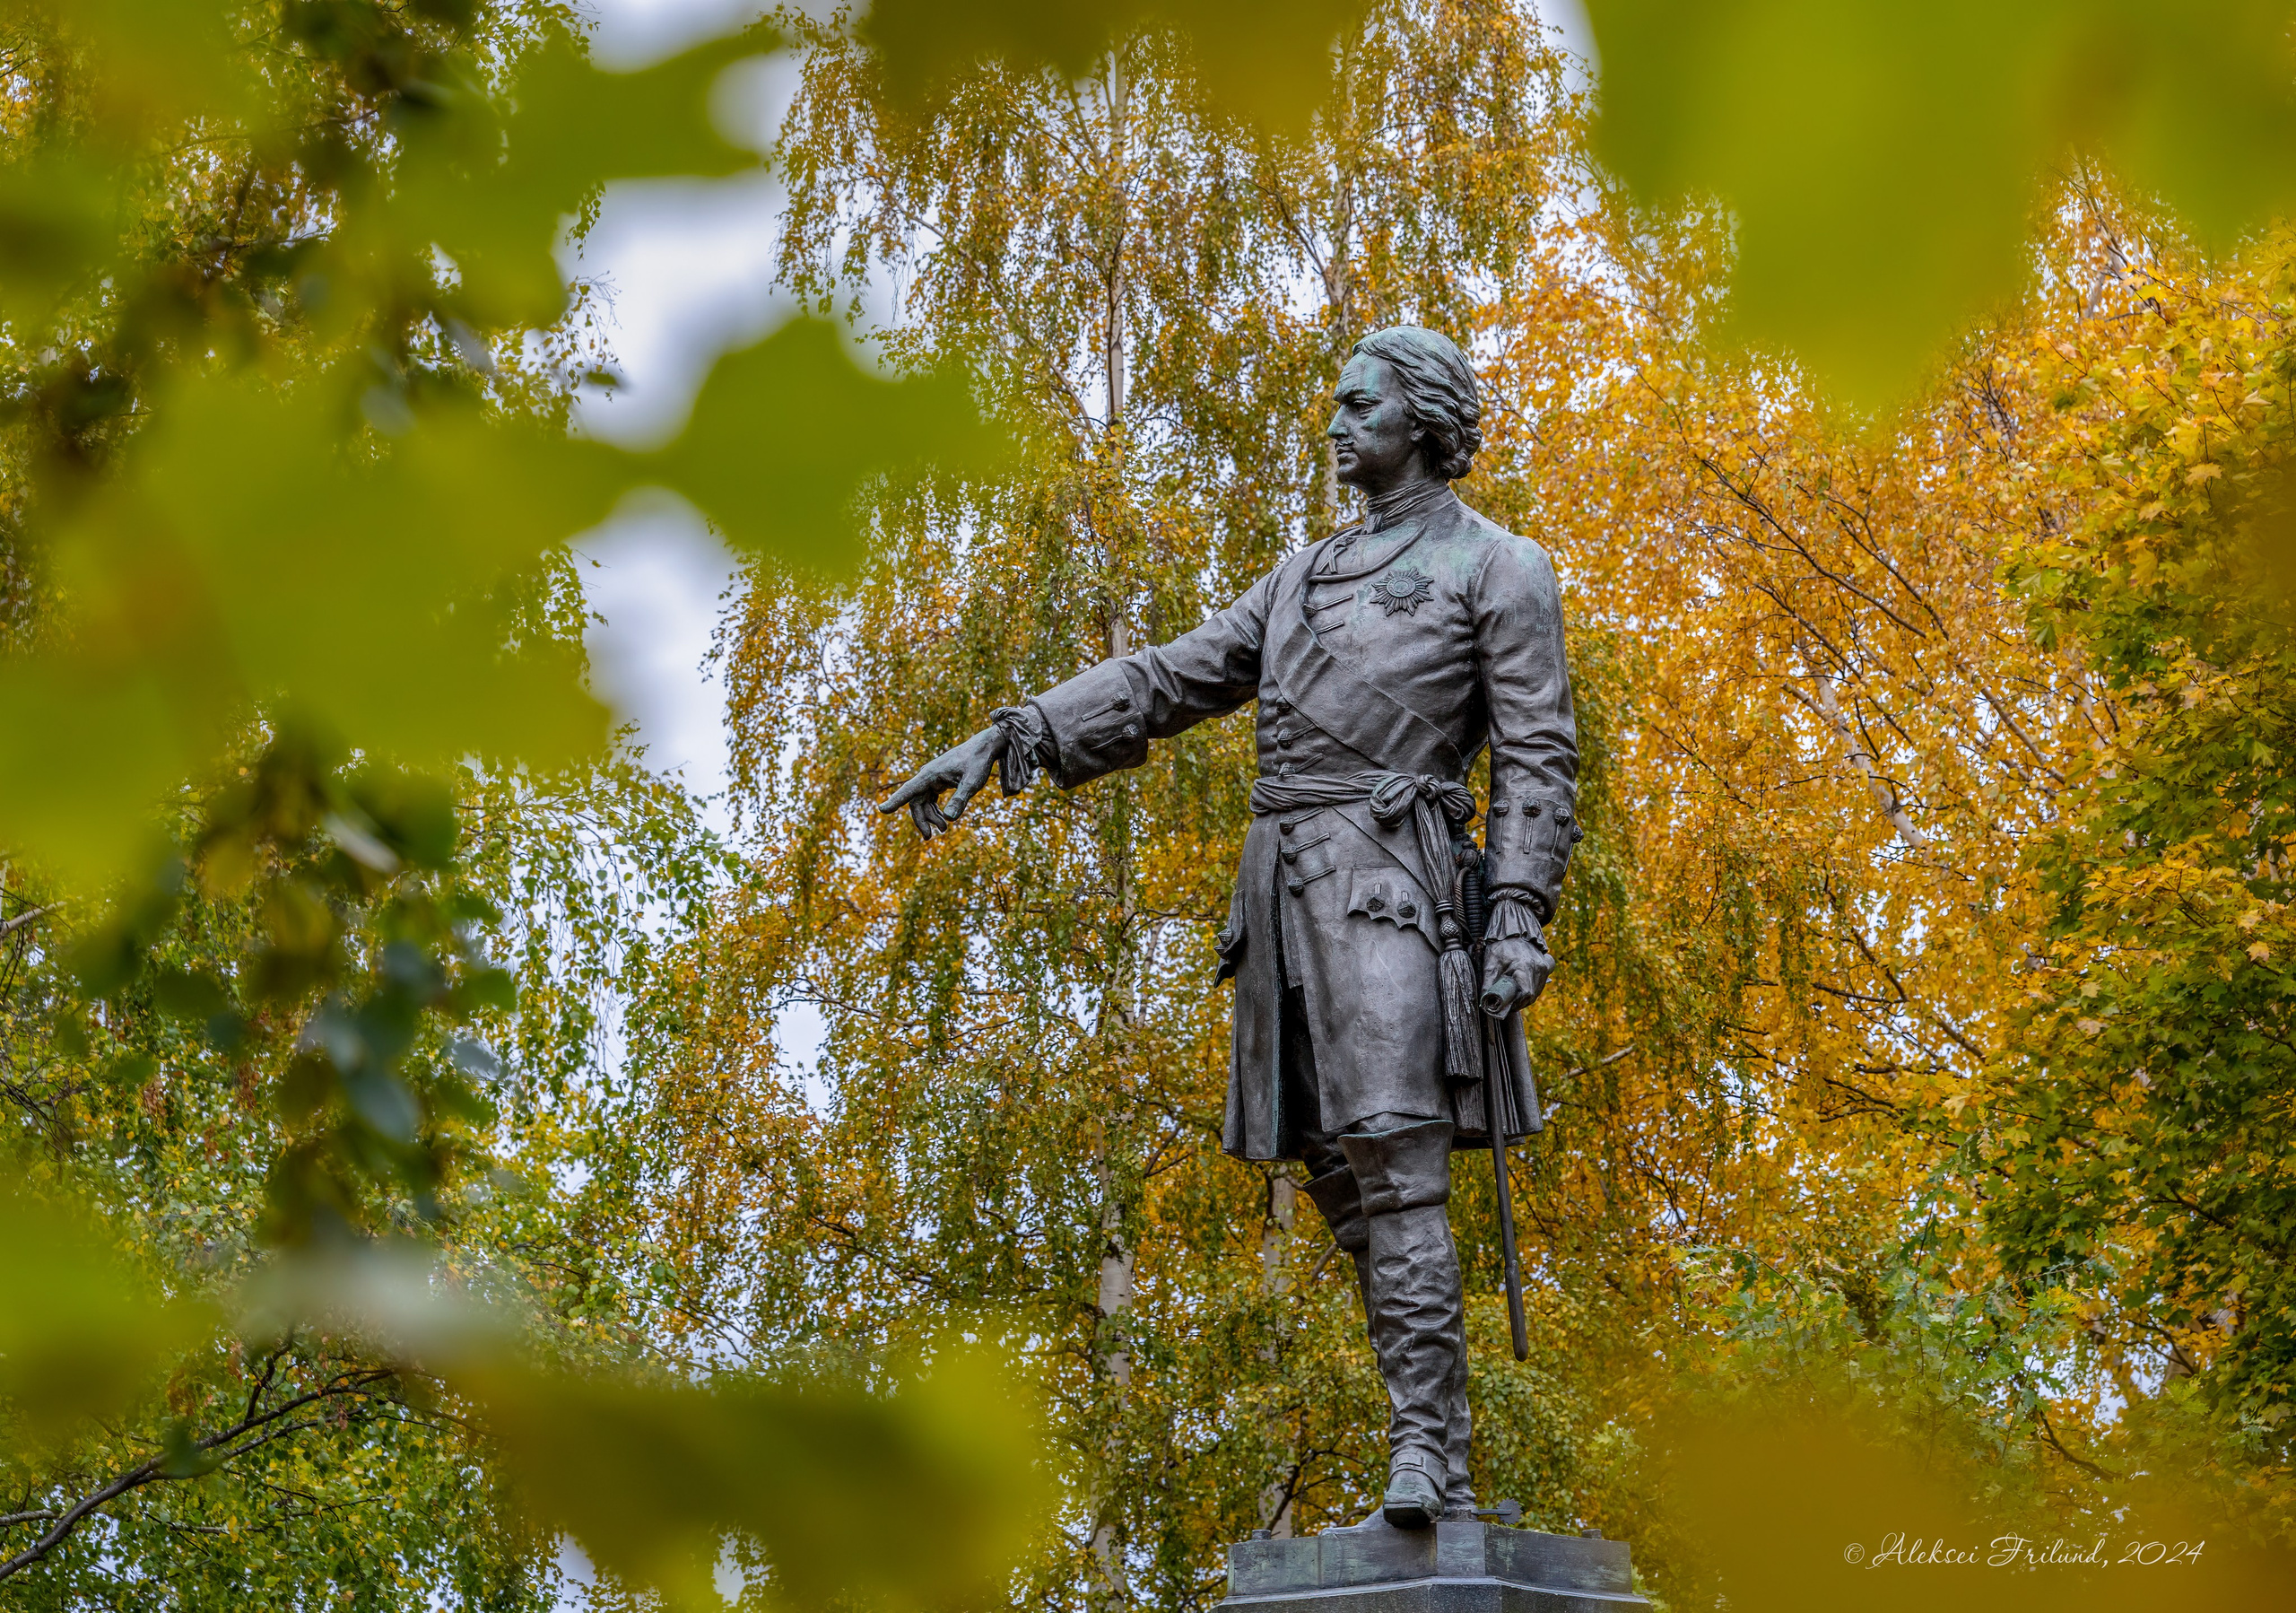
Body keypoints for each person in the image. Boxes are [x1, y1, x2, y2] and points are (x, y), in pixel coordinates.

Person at [882, 326, 1580, 1529]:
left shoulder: (1497, 569)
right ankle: (1431, 1450)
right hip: (1282, 906)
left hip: (1394, 892)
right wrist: (1018, 733)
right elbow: (1168, 677)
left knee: (1400, 1165)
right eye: (1334, 404)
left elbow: (1539, 756)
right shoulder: (1300, 577)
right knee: (1340, 1174)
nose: (1334, 422)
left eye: (1359, 404)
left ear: (1421, 418)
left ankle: (1427, 1454)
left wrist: (1516, 908)